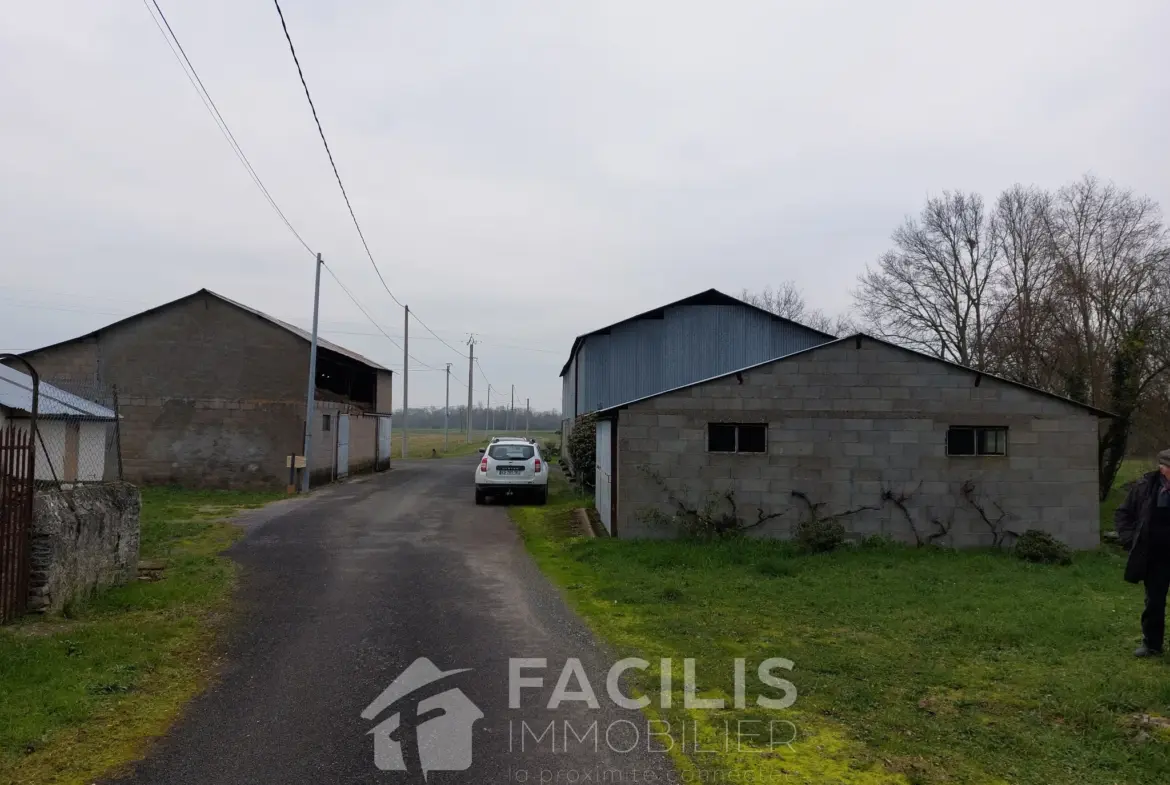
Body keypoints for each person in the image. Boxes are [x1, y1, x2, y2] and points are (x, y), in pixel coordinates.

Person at [1115, 449, 1170, 657]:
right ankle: (1152, 645)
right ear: (1163, 468)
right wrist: (1131, 540)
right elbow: (1123, 514)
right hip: (1155, 557)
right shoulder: (1144, 487)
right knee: (1154, 602)